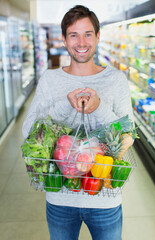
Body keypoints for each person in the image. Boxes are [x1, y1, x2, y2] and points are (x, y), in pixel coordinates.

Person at [22, 5, 134, 240]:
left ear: (98, 36)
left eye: (87, 34)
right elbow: (27, 130)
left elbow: (128, 133)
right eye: (73, 34)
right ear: (64, 39)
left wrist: (99, 108)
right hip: (60, 197)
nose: (81, 42)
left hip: (105, 196)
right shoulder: (50, 80)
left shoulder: (116, 79)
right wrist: (66, 104)